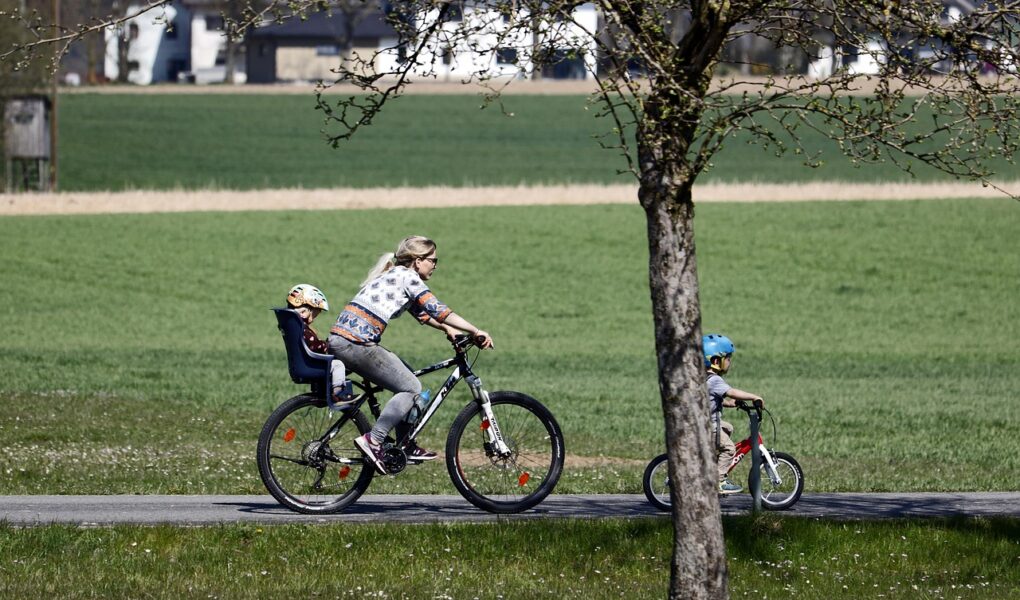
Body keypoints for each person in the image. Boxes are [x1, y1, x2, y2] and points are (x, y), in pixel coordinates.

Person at [328, 235, 493, 474]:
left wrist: (448, 329)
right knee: (411, 388)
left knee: (409, 378)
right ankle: (373, 440)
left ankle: (405, 444)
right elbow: (438, 309)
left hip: (344, 340)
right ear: (417, 260)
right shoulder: (408, 278)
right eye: (433, 260)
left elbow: (424, 314)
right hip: (356, 343)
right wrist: (475, 330)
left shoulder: (394, 274)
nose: (435, 265)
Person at [704, 333, 764, 495]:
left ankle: (711, 466)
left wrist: (729, 404)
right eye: (728, 358)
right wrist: (754, 396)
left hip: (704, 422)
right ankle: (719, 481)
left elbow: (710, 399)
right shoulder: (715, 380)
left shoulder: (703, 378)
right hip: (710, 424)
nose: (730, 362)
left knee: (728, 428)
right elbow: (731, 392)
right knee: (729, 448)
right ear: (716, 361)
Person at [286, 284, 351, 406]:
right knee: (338, 365)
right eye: (315, 314)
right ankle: (338, 393)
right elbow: (315, 346)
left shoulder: (296, 327)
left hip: (304, 363)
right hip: (311, 364)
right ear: (304, 311)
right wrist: (327, 345)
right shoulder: (305, 331)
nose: (314, 318)